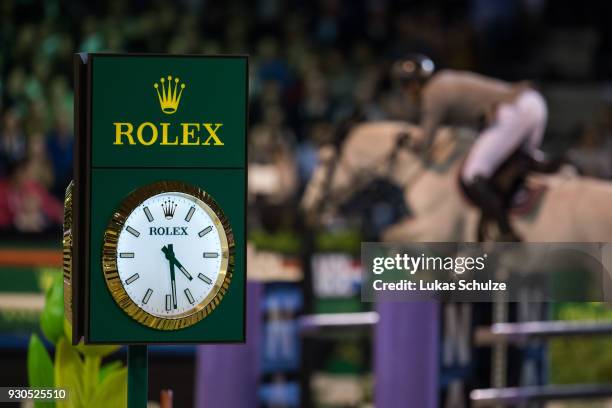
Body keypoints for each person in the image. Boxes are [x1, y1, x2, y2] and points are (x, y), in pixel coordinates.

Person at [393, 54, 552, 241]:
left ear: (412, 84)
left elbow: (425, 143)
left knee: (472, 174)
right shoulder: (443, 81)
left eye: (405, 84)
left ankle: (506, 232)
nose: (406, 90)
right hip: (532, 102)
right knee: (518, 166)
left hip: (513, 110)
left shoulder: (432, 92)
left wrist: (406, 142)